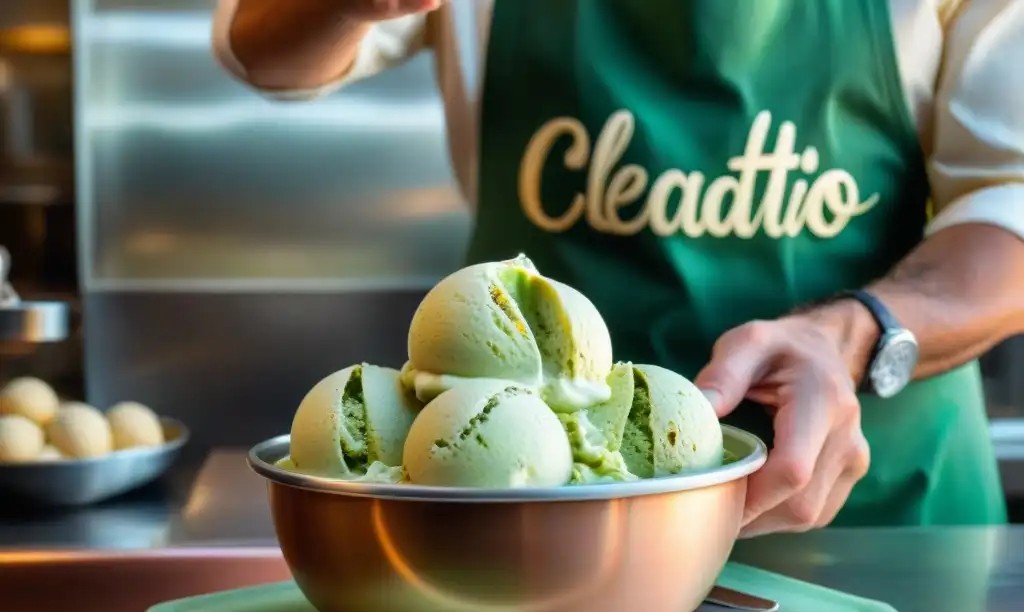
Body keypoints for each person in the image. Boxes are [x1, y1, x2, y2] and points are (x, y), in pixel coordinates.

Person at [212, 0, 1024, 535]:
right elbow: (262, 47)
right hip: (536, 518)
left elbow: (1011, 203)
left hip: (881, 523)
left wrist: (851, 336)